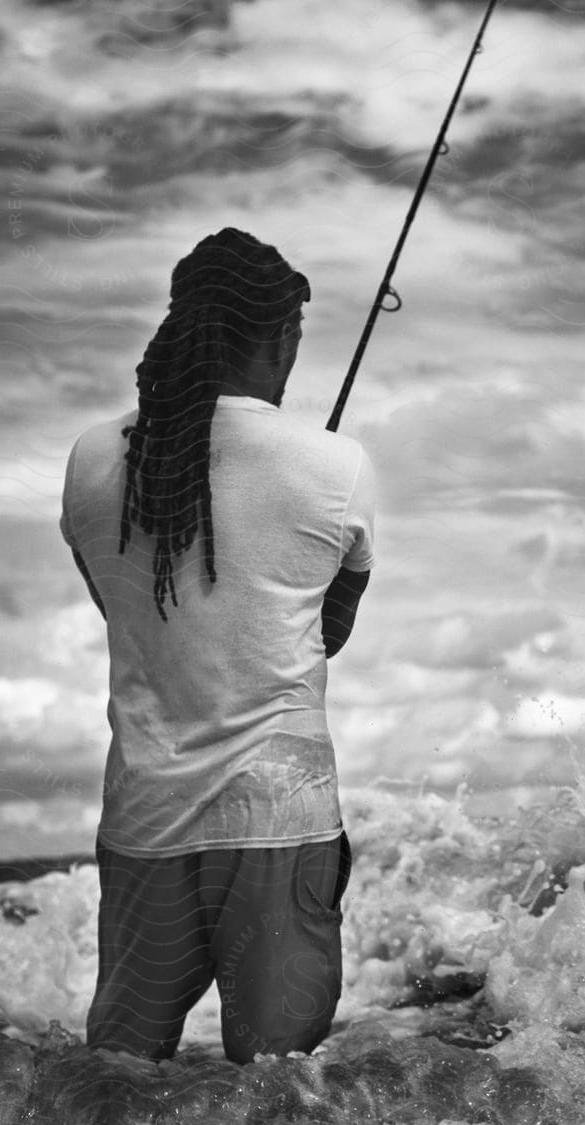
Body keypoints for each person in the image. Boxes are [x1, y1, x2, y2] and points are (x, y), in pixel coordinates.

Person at [58, 227, 376, 1063]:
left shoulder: (90, 461)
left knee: (115, 1081)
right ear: (282, 336)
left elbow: (124, 614)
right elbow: (328, 633)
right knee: (280, 1097)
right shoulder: (337, 466)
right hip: (279, 824)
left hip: (145, 826)